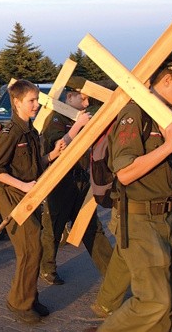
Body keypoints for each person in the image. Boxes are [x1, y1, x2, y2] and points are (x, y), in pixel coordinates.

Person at [94, 52, 172, 331]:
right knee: (153, 302)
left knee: (163, 307)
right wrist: (170, 144)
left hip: (162, 217)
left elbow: (169, 180)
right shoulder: (135, 114)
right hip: (139, 220)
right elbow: (126, 173)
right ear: (167, 79)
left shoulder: (163, 117)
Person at [0, 80, 64, 324]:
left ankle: (30, 297)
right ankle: (19, 303)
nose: (36, 105)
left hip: (29, 195)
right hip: (12, 196)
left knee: (34, 247)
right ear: (17, 102)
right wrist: (23, 186)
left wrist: (53, 155)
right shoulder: (12, 133)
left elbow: (33, 164)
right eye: (31, 101)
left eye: (37, 100)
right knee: (29, 249)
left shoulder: (31, 131)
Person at [39, 77, 112, 285]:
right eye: (84, 99)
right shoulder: (57, 119)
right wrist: (78, 125)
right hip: (61, 181)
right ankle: (47, 268)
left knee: (92, 228)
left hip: (81, 180)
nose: (87, 104)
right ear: (70, 97)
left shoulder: (83, 118)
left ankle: (113, 272)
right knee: (53, 226)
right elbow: (58, 145)